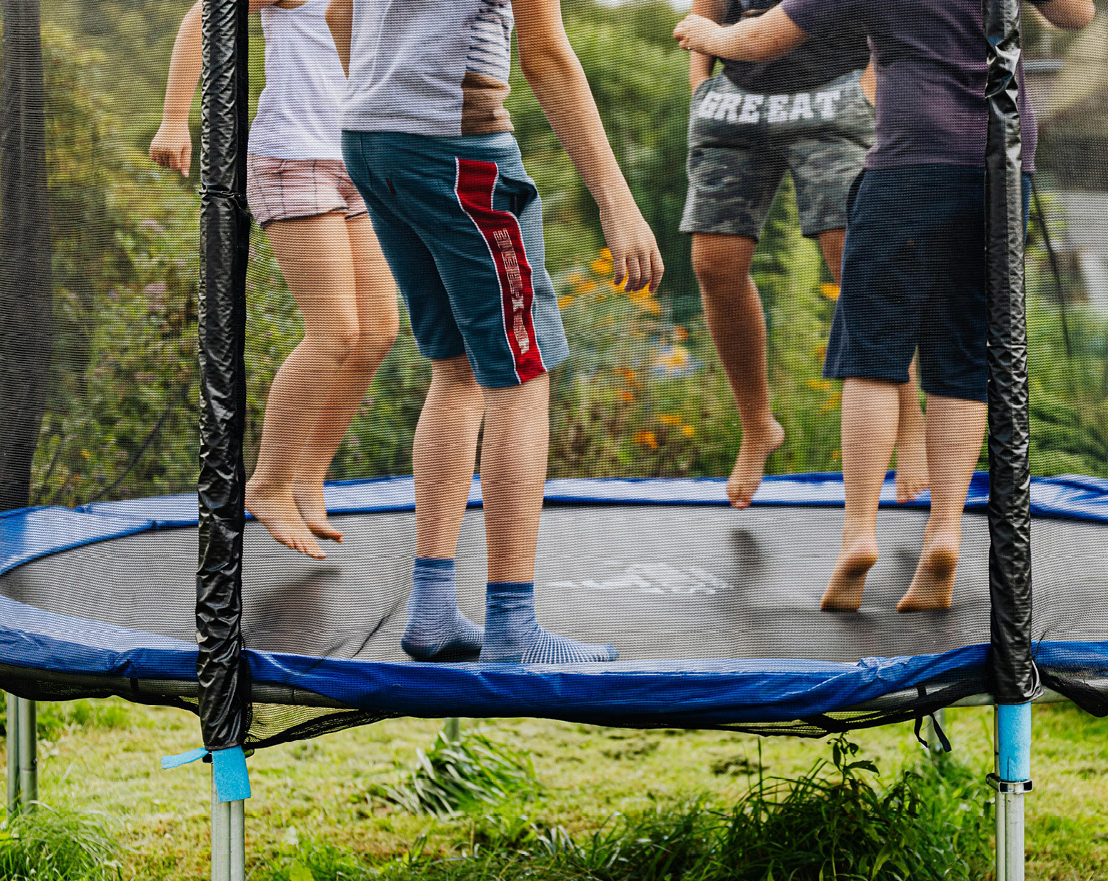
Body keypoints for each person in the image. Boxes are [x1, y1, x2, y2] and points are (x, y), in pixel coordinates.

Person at [676, 0, 1093, 612]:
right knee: (962, 357)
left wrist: (711, 34)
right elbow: (1076, 13)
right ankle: (945, 531)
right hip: (1000, 168)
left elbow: (772, 35)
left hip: (909, 163)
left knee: (871, 355)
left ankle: (859, 534)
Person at [326, 0, 664, 664]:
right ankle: (511, 623)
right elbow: (545, 54)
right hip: (458, 153)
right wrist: (616, 201)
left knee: (454, 371)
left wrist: (387, 102)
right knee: (521, 375)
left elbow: (339, 10)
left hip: (370, 138)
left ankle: (430, 610)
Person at [151, 0, 400, 561]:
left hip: (357, 158)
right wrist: (174, 118)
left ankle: (308, 477)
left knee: (380, 328)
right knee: (335, 331)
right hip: (294, 160)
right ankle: (266, 483)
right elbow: (204, 15)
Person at [683, 0, 928, 509]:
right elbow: (704, 8)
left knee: (856, 263)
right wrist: (700, 87)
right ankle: (758, 428)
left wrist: (870, 85)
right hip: (736, 102)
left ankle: (909, 426)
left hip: (834, 94)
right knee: (714, 264)